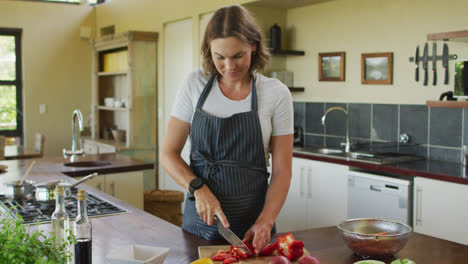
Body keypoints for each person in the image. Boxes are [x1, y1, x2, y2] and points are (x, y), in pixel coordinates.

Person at [160, 4, 293, 255]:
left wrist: (265, 220)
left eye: (238, 55)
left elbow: (282, 170)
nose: (229, 65)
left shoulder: (276, 93)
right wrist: (198, 188)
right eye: (220, 57)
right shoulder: (193, 84)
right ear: (209, 51)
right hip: (199, 227)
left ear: (254, 45)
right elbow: (168, 153)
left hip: (255, 228)